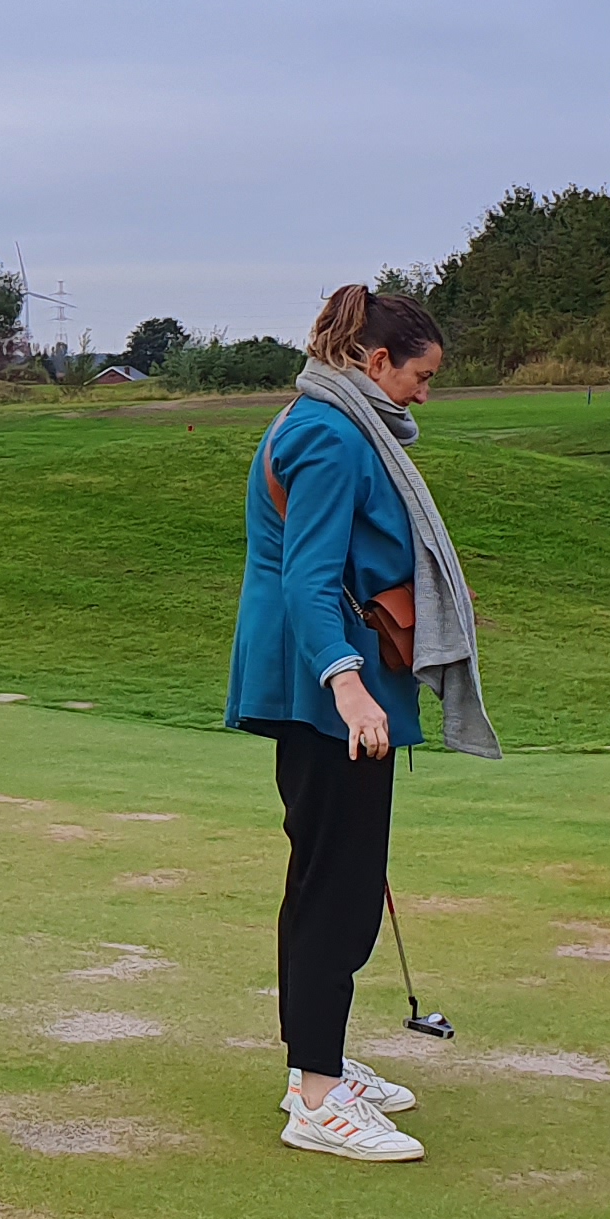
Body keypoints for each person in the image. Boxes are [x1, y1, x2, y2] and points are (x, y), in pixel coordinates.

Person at [225, 285, 500, 1163]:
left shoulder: (333, 421)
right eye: (421, 376)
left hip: (328, 681)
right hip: (322, 689)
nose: (426, 393)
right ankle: (316, 1097)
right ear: (376, 362)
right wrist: (347, 687)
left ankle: (318, 1065)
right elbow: (307, 580)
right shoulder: (332, 436)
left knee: (331, 880)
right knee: (337, 891)